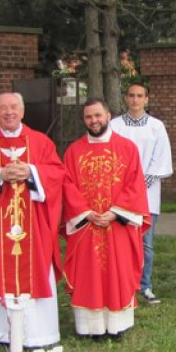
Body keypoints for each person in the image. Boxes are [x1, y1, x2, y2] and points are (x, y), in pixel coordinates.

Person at [0, 92, 65, 347]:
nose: (9, 112)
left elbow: (57, 174)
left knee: (34, 266)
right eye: (3, 108)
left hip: (33, 225)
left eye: (14, 107)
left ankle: (37, 334)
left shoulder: (41, 142)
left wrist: (32, 172)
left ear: (22, 111)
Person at [62, 98, 150, 339]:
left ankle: (116, 326)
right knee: (88, 275)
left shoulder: (127, 148)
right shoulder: (73, 151)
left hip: (117, 225)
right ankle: (90, 328)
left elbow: (135, 185)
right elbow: (67, 186)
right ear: (84, 119)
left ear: (109, 115)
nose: (94, 121)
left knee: (116, 272)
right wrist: (86, 213)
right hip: (86, 225)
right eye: (89, 117)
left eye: (98, 115)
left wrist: (115, 213)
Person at [109, 81, 173, 304]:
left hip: (148, 192)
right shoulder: (114, 126)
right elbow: (110, 156)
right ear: (126, 98)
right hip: (121, 193)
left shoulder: (156, 127)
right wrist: (126, 184)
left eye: (140, 96)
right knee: (122, 240)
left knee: (146, 242)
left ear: (147, 99)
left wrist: (141, 181)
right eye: (131, 95)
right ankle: (124, 284)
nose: (135, 100)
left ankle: (145, 285)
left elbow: (161, 158)